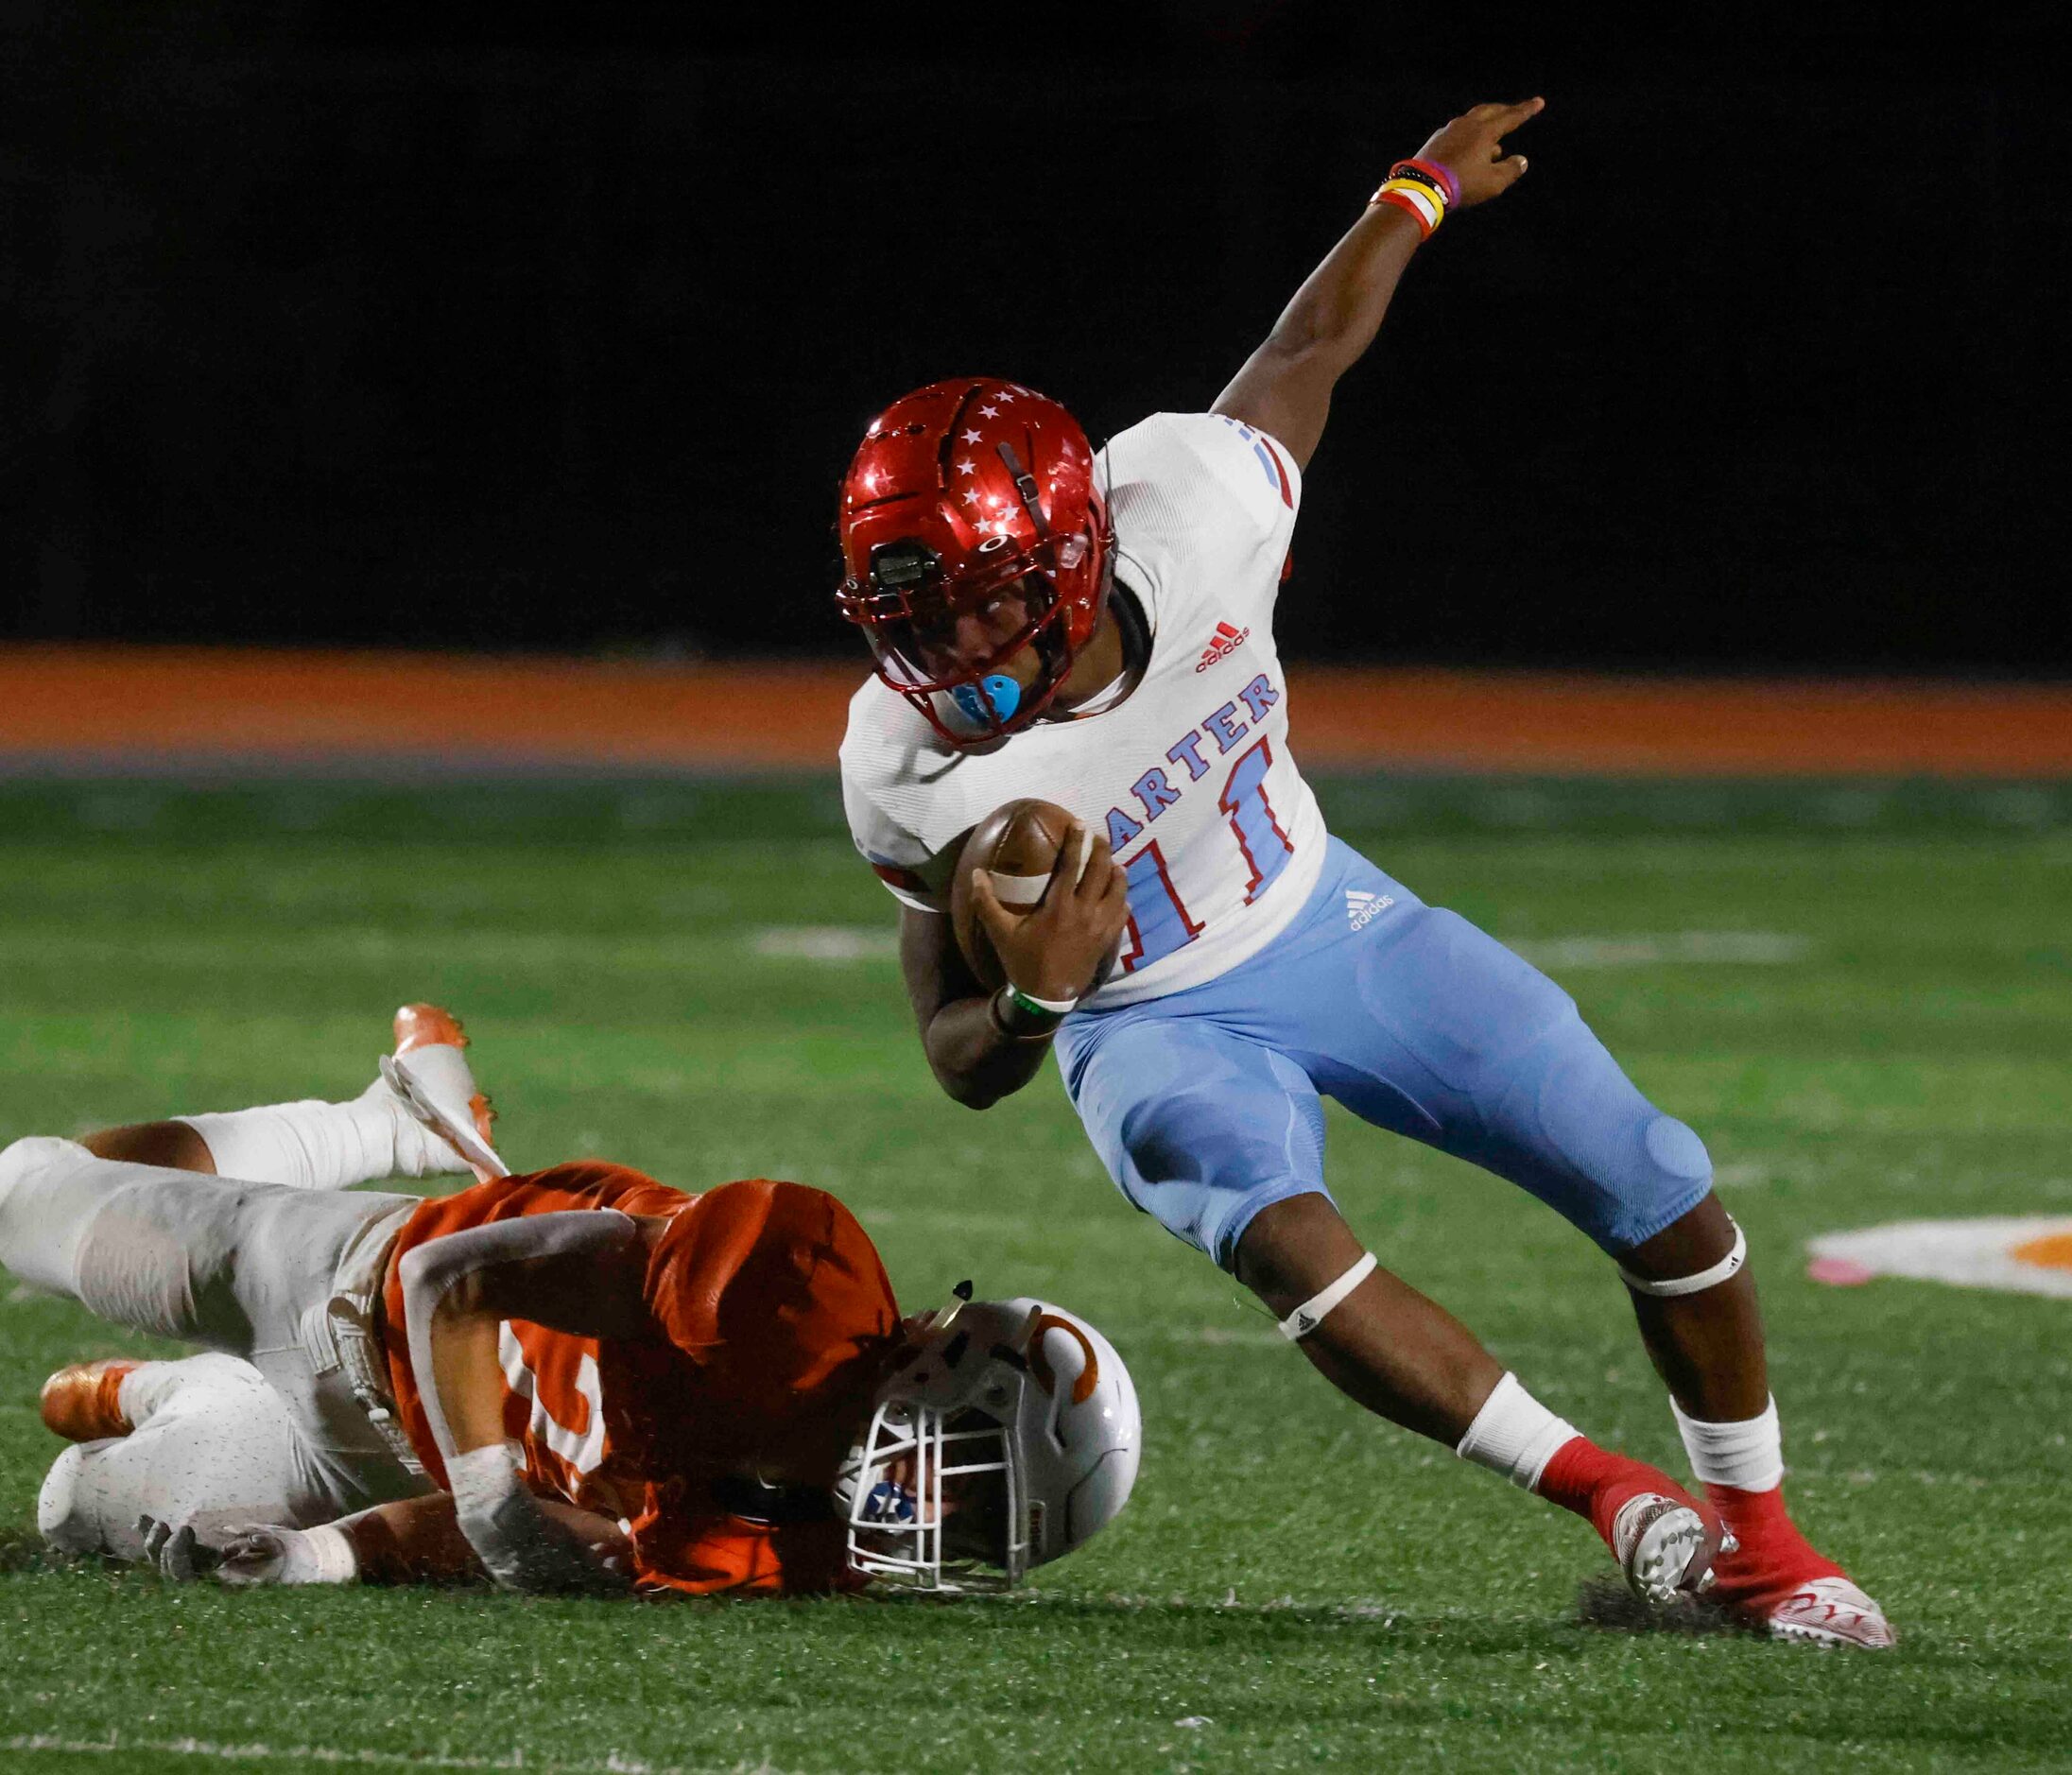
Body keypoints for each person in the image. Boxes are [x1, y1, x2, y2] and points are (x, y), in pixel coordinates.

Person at [833, 96, 1891, 1646]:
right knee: (1290, 1241)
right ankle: (1617, 1500)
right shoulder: (902, 762)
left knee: (1660, 1179)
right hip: (1143, 1022)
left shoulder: (1192, 510)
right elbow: (952, 1057)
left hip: (1325, 911)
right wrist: (1038, 1011)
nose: (944, 654)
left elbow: (1304, 353)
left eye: (975, 610)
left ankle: (1758, 1542)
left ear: (1067, 554)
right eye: (909, 620)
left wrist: (1415, 193)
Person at [6, 1006, 1138, 1595]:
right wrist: (495, 1491)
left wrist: (327, 1556)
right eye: (970, 1486)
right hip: (340, 1288)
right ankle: (370, 1127)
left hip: (374, 1458)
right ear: (936, 1356)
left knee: (72, 1513)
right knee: (19, 1198)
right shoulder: (793, 1288)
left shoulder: (788, 1553)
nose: (931, 1520)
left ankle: (179, 1394)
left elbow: (566, 1536)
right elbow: (443, 1281)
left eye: (981, 1534)